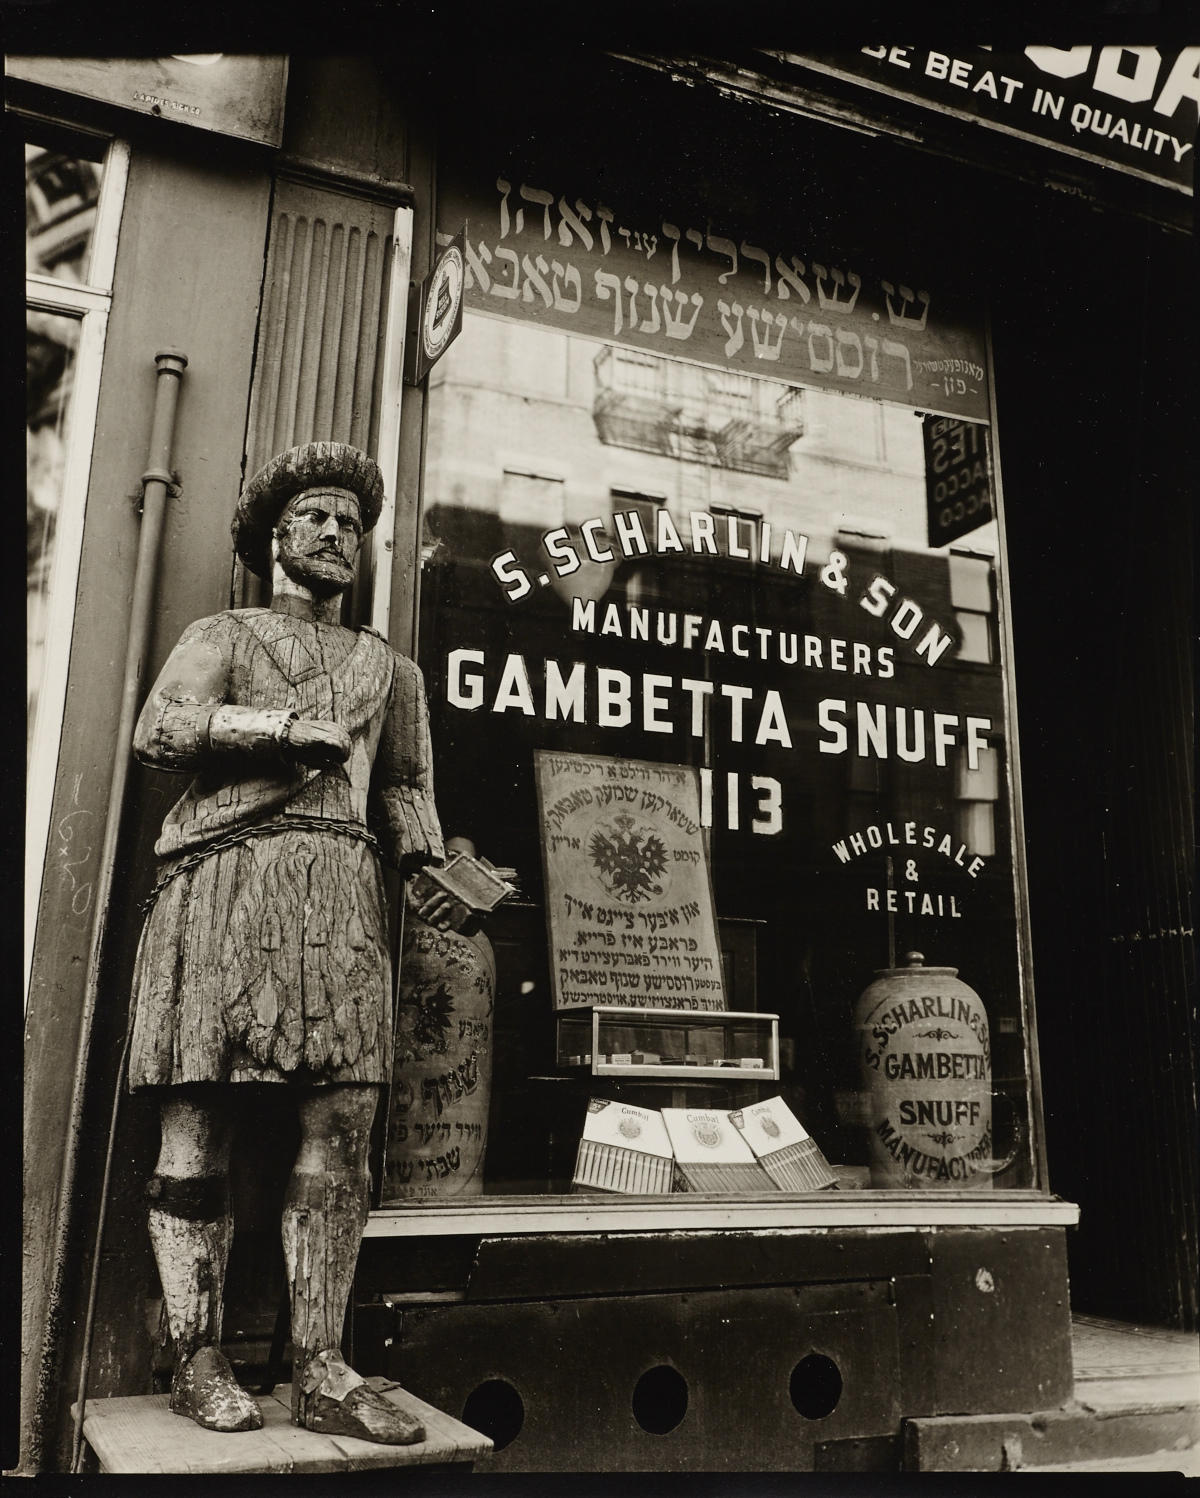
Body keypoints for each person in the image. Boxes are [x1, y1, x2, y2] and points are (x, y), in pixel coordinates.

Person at [128, 441, 464, 1443]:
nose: (334, 535)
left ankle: (320, 1364)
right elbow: (162, 729)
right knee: (201, 1125)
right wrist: (278, 729)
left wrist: (439, 871)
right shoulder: (223, 631)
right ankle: (197, 1356)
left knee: (344, 1133)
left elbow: (403, 788)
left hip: (343, 901)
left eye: (350, 524)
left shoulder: (389, 671)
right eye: (315, 518)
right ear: (274, 537)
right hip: (226, 886)